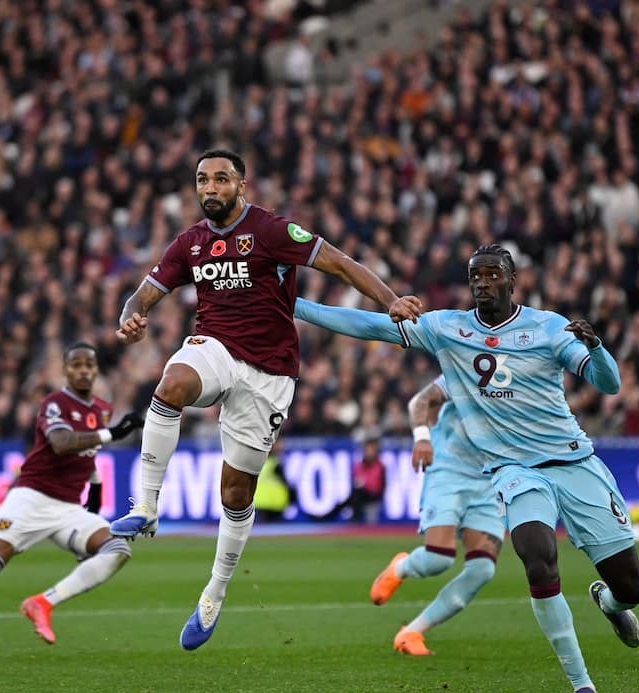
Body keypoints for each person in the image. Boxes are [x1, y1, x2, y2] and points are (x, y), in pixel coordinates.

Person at [294, 245, 639, 693]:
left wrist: (597, 347)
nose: (482, 282)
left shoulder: (548, 328)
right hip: (515, 473)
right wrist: (290, 303)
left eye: (492, 274)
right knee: (538, 562)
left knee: (632, 588)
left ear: (512, 279)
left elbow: (609, 385)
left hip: (574, 463)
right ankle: (583, 687)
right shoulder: (448, 328)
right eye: (474, 276)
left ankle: (610, 601)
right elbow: (369, 326)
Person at [109, 148, 423, 651]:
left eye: (220, 179)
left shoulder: (273, 232)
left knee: (235, 494)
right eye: (202, 180)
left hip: (270, 375)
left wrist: (390, 301)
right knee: (170, 387)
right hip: (215, 349)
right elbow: (144, 294)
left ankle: (214, 592)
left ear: (242, 185)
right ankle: (145, 506)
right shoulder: (189, 243)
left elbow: (340, 264)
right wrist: (131, 315)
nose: (210, 188)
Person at [0, 343, 144, 660]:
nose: (83, 370)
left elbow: (88, 455)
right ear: (65, 371)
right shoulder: (55, 403)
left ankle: (43, 602)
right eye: (76, 364)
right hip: (30, 498)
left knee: (118, 549)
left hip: (66, 508)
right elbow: (62, 442)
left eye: (88, 365)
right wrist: (112, 433)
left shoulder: (100, 411)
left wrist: (94, 492)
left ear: (96, 371)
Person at [368, 375, 502, 656]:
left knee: (482, 569)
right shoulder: (471, 364)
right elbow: (421, 400)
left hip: (490, 479)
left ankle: (412, 632)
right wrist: (422, 438)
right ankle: (401, 568)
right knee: (439, 559)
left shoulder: (534, 375)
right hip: (448, 469)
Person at [319, 435, 386, 523]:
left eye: (371, 450)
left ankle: (351, 518)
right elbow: (356, 479)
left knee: (355, 494)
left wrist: (364, 483)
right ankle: (330, 516)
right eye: (367, 450)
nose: (369, 453)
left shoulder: (379, 466)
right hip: (360, 494)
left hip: (372, 496)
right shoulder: (360, 465)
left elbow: (377, 486)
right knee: (353, 495)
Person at [252, 441, 296, 523]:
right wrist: (291, 498)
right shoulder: (275, 464)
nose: (281, 447)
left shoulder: (257, 462)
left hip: (260, 502)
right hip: (276, 503)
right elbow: (286, 483)